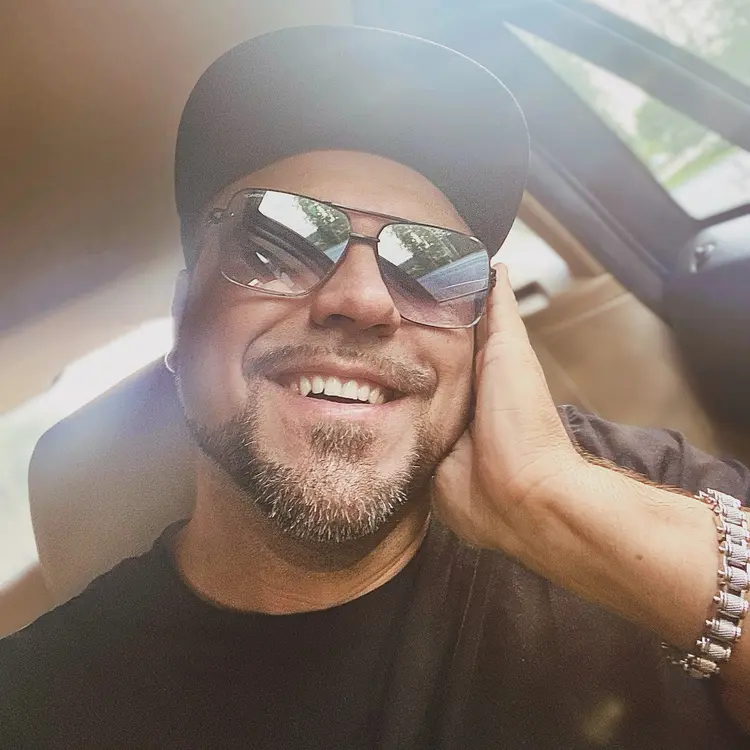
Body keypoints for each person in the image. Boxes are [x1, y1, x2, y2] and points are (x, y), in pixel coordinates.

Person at [1, 25, 749, 749]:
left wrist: (550, 497)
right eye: (280, 244)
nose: (363, 300)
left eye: (432, 266)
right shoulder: (36, 705)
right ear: (181, 316)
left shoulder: (644, 490)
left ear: (484, 326)